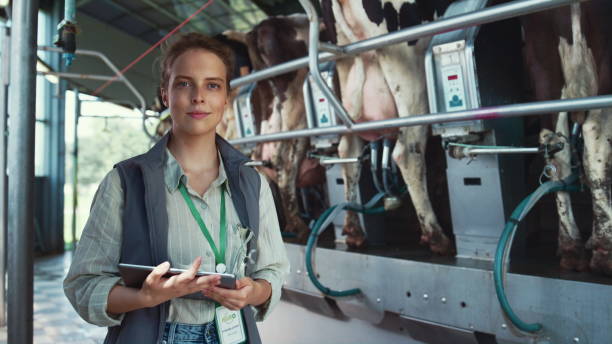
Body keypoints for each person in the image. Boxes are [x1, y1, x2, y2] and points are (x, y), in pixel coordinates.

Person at [64, 33, 290, 344]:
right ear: (165, 95)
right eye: (184, 83)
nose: (199, 96)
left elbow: (273, 271)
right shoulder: (124, 182)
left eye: (212, 85)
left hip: (233, 335)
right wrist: (144, 296)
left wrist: (253, 293)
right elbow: (83, 285)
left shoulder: (252, 183)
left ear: (227, 97)